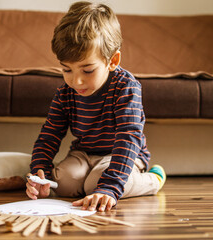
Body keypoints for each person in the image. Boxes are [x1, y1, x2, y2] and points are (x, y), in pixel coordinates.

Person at [26, 1, 166, 212]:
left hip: (122, 154)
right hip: (84, 153)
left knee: (96, 185)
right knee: (63, 183)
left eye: (88, 70)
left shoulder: (126, 87)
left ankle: (153, 179)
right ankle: (95, 182)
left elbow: (129, 136)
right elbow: (50, 134)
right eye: (67, 70)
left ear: (113, 61)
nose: (76, 82)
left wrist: (110, 188)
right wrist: (40, 173)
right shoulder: (65, 93)